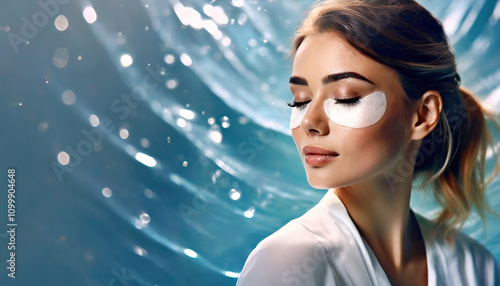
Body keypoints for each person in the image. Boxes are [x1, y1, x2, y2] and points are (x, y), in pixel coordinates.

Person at [236, 0, 500, 285]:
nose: (308, 121)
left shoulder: (476, 266)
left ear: (423, 114)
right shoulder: (286, 264)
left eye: (345, 98)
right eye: (300, 100)